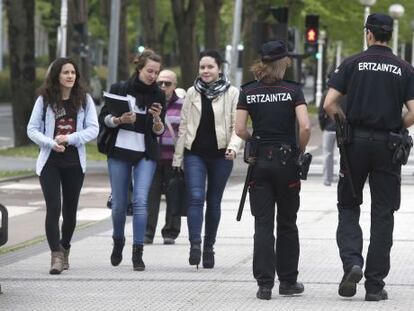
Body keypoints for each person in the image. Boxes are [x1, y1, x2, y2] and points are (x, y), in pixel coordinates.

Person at [324, 13, 414, 302]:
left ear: (369, 34)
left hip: (355, 145)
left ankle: (353, 262)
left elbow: (329, 104)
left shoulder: (351, 63)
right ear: (389, 35)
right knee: (383, 214)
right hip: (389, 146)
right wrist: (398, 126)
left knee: (348, 205)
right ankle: (375, 286)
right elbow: (413, 110)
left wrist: (345, 122)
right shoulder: (404, 69)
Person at [235, 40, 311, 300]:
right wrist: (299, 152)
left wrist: (254, 141)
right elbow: (305, 127)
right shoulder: (293, 91)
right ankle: (288, 282)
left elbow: (240, 129)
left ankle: (264, 284)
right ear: (283, 63)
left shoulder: (248, 91)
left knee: (263, 224)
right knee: (288, 223)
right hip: (287, 162)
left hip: (260, 162)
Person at [27, 57, 99, 274]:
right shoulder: (45, 100)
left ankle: (65, 248)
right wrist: (51, 142)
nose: (70, 76)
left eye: (73, 73)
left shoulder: (84, 100)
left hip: (74, 163)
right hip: (50, 162)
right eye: (66, 72)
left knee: (70, 212)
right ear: (56, 75)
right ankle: (55, 256)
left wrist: (70, 139)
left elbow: (93, 129)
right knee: (54, 208)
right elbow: (32, 129)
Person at [172, 50, 242, 269]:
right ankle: (195, 244)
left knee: (214, 201)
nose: (205, 71)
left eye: (210, 67)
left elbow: (236, 127)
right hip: (195, 154)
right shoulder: (192, 93)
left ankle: (209, 246)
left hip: (222, 155)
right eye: (202, 67)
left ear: (219, 68)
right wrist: (178, 158)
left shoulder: (232, 93)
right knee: (195, 197)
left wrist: (233, 148)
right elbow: (183, 127)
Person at [98, 49, 166, 271]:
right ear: (139, 68)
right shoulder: (120, 89)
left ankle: (138, 251)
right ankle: (118, 241)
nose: (153, 76)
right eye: (149, 71)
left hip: (145, 152)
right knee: (118, 204)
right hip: (119, 151)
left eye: (156, 72)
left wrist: (156, 119)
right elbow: (104, 119)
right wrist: (119, 119)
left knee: (140, 201)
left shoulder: (158, 95)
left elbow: (159, 131)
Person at [145, 69, 184, 245]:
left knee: (174, 195)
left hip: (173, 159)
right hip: (152, 158)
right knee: (149, 197)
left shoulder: (183, 104)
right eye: (159, 83)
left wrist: (182, 157)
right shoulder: (150, 102)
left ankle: (171, 232)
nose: (162, 86)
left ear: (174, 85)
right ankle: (147, 232)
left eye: (167, 83)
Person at [318, 90, 346, 186]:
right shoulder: (346, 93)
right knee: (341, 154)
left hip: (329, 128)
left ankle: (327, 178)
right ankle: (341, 177)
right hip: (342, 128)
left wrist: (323, 127)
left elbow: (321, 112)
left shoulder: (326, 93)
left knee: (327, 154)